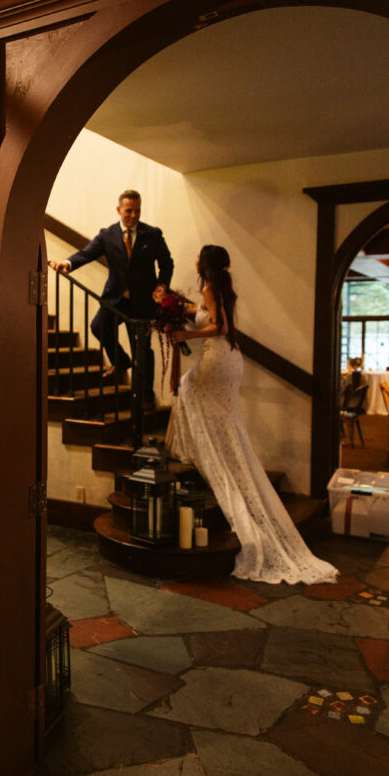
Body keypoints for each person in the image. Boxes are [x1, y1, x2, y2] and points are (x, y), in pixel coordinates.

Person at [165, 244, 338, 585]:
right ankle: (214, 450)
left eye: (200, 254)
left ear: (207, 261)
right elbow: (203, 311)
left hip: (218, 357)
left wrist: (186, 334)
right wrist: (171, 302)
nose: (195, 258)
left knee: (188, 388)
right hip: (232, 361)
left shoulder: (211, 287)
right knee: (222, 419)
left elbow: (219, 327)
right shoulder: (219, 287)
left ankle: (203, 452)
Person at [49, 190, 173, 407]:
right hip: (115, 300)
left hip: (142, 303)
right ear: (119, 210)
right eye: (129, 211)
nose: (133, 215)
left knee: (142, 350)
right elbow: (86, 254)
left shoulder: (152, 234)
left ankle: (146, 395)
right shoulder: (107, 234)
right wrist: (67, 264)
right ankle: (121, 361)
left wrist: (162, 285)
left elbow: (167, 263)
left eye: (137, 210)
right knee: (98, 327)